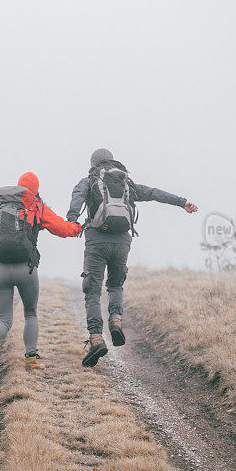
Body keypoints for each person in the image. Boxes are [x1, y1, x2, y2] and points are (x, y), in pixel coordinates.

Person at [66, 149, 198, 367]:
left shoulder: (89, 180)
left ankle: (96, 338)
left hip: (96, 242)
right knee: (116, 285)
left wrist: (72, 218)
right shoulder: (126, 182)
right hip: (122, 242)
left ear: (93, 163)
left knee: (92, 290)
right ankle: (116, 321)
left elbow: (77, 197)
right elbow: (154, 193)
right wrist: (182, 202)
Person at [0, 172, 82, 375]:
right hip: (26, 270)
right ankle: (31, 360)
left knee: (4, 320)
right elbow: (61, 228)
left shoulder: (0, 208)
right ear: (35, 190)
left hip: (0, 270)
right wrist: (77, 228)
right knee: (30, 313)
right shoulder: (36, 206)